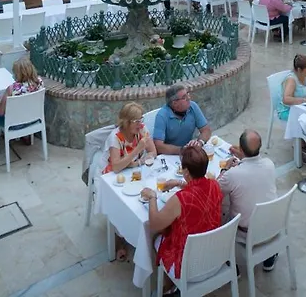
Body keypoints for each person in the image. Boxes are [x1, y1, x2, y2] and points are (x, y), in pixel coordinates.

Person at [142, 145, 223, 282]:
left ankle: (168, 284)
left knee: (155, 236)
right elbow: (200, 190)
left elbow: (154, 224)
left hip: (189, 267)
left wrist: (152, 197)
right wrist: (179, 183)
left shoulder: (180, 199)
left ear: (186, 171)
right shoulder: (214, 185)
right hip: (214, 257)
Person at [102, 102, 158, 261]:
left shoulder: (142, 130)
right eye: (136, 121)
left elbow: (153, 151)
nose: (140, 124)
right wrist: (138, 150)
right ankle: (119, 239)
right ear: (126, 122)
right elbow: (116, 166)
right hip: (114, 176)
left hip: (135, 172)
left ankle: (140, 231)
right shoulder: (115, 137)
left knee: (143, 198)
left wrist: (145, 159)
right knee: (122, 202)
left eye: (141, 120)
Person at [217, 130, 278, 271]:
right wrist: (242, 158)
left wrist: (225, 169)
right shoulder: (269, 164)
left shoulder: (232, 175)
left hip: (247, 234)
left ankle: (231, 264)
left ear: (241, 148)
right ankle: (269, 255)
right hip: (272, 226)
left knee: (222, 206)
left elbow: (215, 190)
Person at [0, 60, 43, 158]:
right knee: (24, 108)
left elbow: (0, 112)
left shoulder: (12, 89)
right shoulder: (39, 82)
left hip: (15, 124)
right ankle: (26, 136)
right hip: (34, 120)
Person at [153, 84, 212, 155]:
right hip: (170, 155)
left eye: (188, 94)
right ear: (175, 103)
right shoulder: (162, 116)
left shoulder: (193, 106)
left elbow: (206, 130)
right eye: (184, 97)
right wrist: (182, 150)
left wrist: (199, 143)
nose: (189, 98)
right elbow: (159, 146)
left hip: (189, 152)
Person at [277, 55, 306, 120]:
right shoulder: (291, 80)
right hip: (288, 110)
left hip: (302, 107)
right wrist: (305, 100)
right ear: (299, 70)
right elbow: (286, 99)